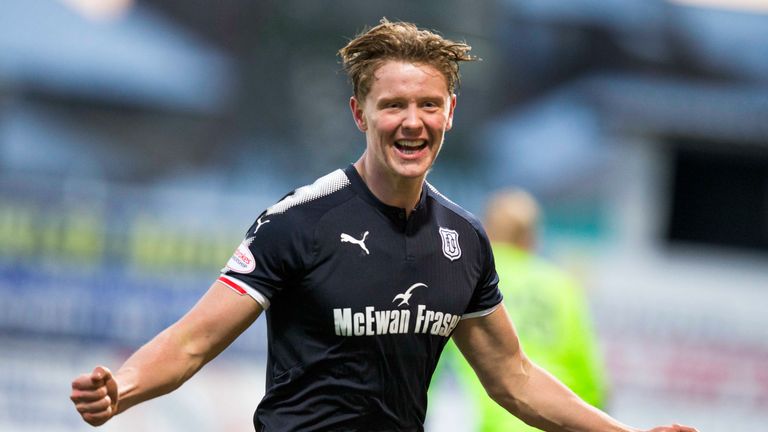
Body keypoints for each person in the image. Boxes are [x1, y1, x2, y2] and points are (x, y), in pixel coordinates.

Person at [70, 19, 698, 432]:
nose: (411, 121)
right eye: (392, 104)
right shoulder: (299, 221)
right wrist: (120, 389)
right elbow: (191, 342)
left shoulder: (466, 242)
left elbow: (513, 378)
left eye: (428, 104)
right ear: (359, 113)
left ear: (450, 112)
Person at [444, 188, 608, 431]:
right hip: (555, 420)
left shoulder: (466, 278)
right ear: (531, 237)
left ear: (485, 230)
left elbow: (429, 359)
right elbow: (589, 376)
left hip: (492, 423)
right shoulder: (561, 286)